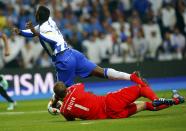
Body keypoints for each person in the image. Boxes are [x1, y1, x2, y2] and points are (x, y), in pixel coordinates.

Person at [12, 6, 145, 87]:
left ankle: (77, 105)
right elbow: (34, 31)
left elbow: (53, 40)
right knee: (100, 72)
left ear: (37, 16)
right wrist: (21, 32)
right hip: (73, 54)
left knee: (61, 91)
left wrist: (36, 34)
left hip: (63, 59)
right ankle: (131, 77)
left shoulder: (44, 29)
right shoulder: (48, 22)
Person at [47, 81, 184, 121]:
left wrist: (55, 103)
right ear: (66, 89)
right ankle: (156, 99)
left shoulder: (65, 110)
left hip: (113, 115)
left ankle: (176, 101)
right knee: (141, 88)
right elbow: (79, 84)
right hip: (110, 101)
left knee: (144, 105)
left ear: (59, 97)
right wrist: (55, 98)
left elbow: (70, 119)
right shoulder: (75, 89)